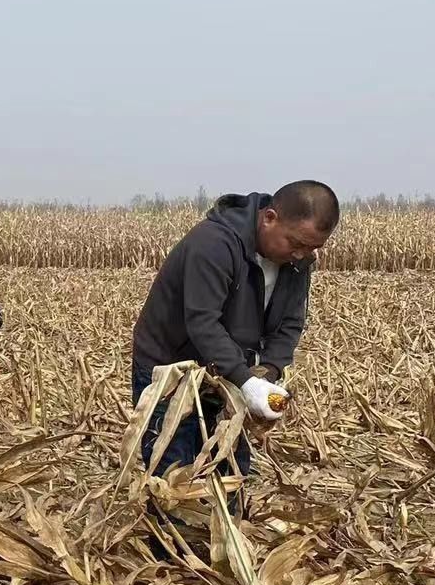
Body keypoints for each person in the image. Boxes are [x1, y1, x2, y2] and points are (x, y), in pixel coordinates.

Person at [131, 181, 339, 477]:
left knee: (230, 471)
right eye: (295, 243)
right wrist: (246, 381)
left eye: (312, 248)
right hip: (171, 368)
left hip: (228, 371)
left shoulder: (298, 261)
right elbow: (203, 322)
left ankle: (228, 519)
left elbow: (290, 323)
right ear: (269, 218)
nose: (300, 255)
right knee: (174, 473)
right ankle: (173, 522)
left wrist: (267, 371)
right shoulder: (214, 244)